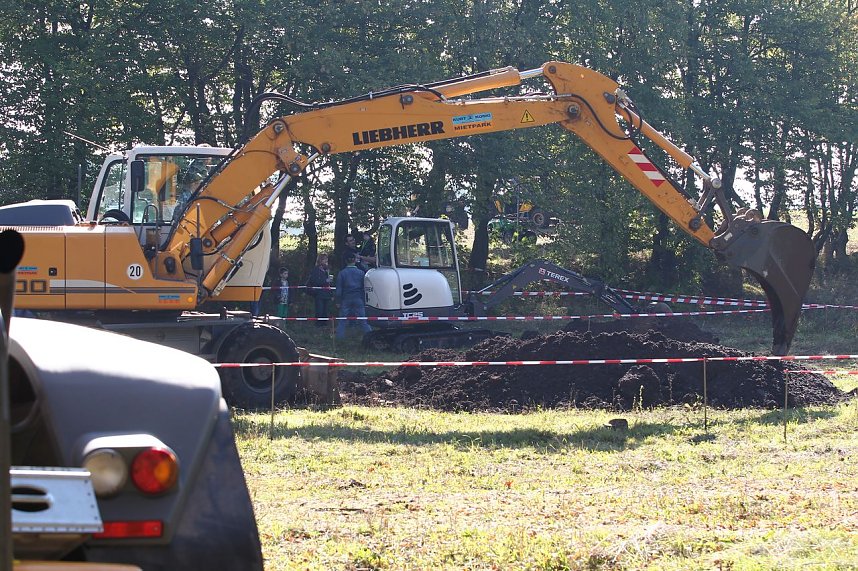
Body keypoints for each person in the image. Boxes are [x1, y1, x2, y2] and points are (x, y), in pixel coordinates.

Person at [335, 251, 371, 339]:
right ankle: (371, 337)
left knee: (342, 320)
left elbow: (339, 289)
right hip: (358, 298)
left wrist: (338, 301)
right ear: (355, 260)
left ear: (345, 261)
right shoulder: (361, 273)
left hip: (346, 299)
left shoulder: (342, 273)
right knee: (363, 320)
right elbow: (364, 287)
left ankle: (339, 339)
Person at [306, 253, 333, 326]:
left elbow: (329, 283)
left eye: (327, 259)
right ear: (320, 260)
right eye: (324, 259)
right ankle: (318, 325)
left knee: (325, 310)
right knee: (319, 310)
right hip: (319, 293)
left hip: (326, 293)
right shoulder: (316, 270)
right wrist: (325, 281)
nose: (326, 261)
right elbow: (314, 281)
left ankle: (324, 324)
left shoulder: (326, 270)